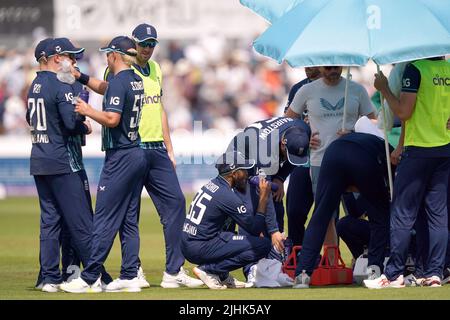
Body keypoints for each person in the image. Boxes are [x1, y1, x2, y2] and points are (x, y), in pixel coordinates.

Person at [72, 23, 202, 288]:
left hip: (156, 147)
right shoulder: (119, 69)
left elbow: (160, 108)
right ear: (133, 45)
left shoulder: (156, 70)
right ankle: (133, 270)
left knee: (176, 203)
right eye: (143, 44)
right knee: (129, 212)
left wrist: (170, 147)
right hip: (133, 145)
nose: (148, 49)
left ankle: (173, 271)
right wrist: (82, 78)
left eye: (152, 44)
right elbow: (106, 89)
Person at [60, 36, 147, 293]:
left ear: (114, 56)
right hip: (136, 153)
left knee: (105, 219)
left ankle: (89, 278)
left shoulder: (120, 81)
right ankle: (130, 275)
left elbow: (111, 118)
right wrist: (81, 77)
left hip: (120, 157)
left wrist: (87, 110)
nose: (106, 58)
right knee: (129, 219)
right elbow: (106, 87)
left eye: (107, 54)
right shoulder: (134, 79)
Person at [364, 57, 450, 289]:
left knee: (402, 213)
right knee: (438, 215)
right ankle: (433, 273)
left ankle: (393, 275)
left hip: (420, 150)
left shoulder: (415, 69)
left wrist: (383, 89)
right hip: (444, 150)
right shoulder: (447, 68)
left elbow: (403, 112)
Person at [26, 38, 94, 293]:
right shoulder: (59, 84)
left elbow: (28, 117)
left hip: (40, 160)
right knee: (81, 222)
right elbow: (69, 122)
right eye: (71, 57)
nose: (74, 62)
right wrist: (84, 124)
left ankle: (49, 278)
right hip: (61, 160)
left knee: (50, 221)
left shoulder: (34, 84)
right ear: (56, 58)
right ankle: (94, 275)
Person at [286, 65, 377, 250]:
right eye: (328, 68)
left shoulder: (356, 89)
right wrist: (303, 135)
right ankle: (331, 262)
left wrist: (355, 132)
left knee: (359, 211)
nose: (332, 71)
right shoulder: (306, 90)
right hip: (320, 161)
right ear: (321, 67)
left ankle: (364, 256)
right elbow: (288, 122)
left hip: (353, 160)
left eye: (336, 67)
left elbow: (374, 121)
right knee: (325, 215)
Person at [293, 133, 393, 288]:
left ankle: (301, 276)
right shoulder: (389, 152)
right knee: (380, 216)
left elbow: (353, 208)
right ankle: (374, 272)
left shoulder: (366, 141)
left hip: (333, 151)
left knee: (320, 216)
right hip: (362, 155)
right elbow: (388, 199)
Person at [227, 116, 311, 284]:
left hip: (262, 155)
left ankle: (272, 264)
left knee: (277, 207)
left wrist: (280, 177)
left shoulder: (303, 131)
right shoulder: (265, 152)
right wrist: (273, 231)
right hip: (239, 161)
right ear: (282, 143)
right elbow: (262, 191)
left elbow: (292, 159)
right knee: (251, 214)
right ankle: (251, 269)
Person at [181, 151, 272, 289]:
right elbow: (255, 229)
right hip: (200, 246)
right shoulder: (226, 196)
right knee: (262, 245)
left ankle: (222, 275)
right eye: (244, 170)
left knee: (232, 233)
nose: (247, 175)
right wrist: (264, 198)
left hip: (190, 243)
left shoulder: (212, 185)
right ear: (234, 174)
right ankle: (211, 270)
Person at [284, 67, 320, 246]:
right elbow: (286, 121)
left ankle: (328, 263)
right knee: (295, 212)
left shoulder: (342, 89)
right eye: (306, 64)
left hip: (329, 161)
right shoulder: (298, 88)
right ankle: (298, 257)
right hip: (302, 160)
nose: (308, 68)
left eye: (312, 64)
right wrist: (302, 127)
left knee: (327, 217)